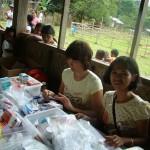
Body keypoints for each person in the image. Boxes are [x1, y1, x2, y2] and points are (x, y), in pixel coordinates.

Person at [43, 40, 103, 118]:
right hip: (63, 115)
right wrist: (51, 95)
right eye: (69, 59)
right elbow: (60, 96)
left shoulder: (94, 82)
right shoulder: (66, 73)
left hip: (81, 121)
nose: (70, 63)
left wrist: (73, 109)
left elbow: (96, 114)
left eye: (74, 61)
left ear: (85, 61)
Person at [102, 56, 150, 148]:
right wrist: (85, 117)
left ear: (133, 78)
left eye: (124, 74)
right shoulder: (108, 96)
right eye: (114, 72)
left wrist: (124, 140)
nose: (117, 77)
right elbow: (100, 122)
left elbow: (145, 140)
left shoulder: (139, 107)